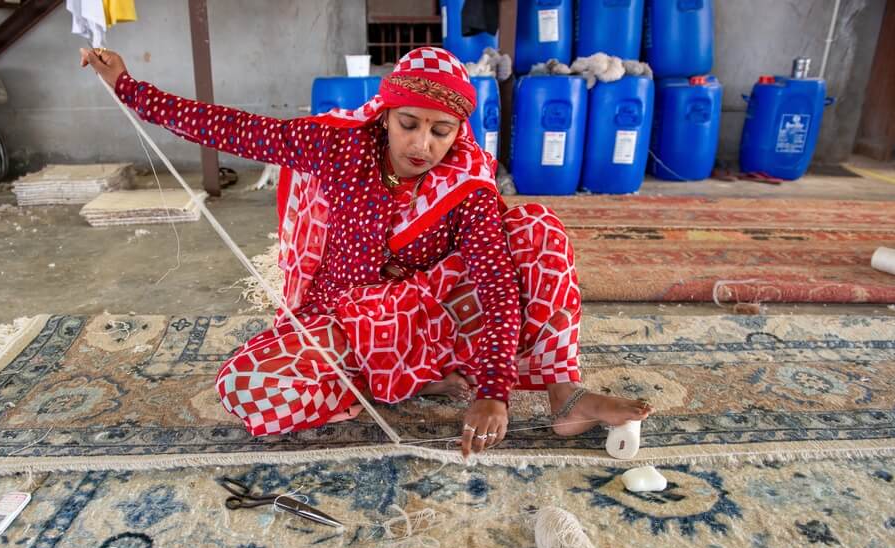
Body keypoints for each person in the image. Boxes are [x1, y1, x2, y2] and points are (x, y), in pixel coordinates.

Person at [81, 45, 652, 458]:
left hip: (432, 319)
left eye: (441, 130)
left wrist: (495, 393)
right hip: (349, 318)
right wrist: (130, 89)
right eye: (409, 125)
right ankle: (402, 382)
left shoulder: (467, 182)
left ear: (460, 131)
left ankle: (564, 394)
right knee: (245, 386)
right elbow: (232, 128)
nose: (423, 145)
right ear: (384, 115)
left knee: (535, 226)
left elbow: (497, 285)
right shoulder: (335, 144)